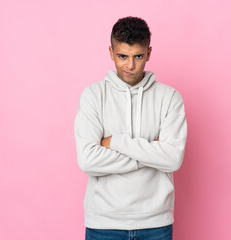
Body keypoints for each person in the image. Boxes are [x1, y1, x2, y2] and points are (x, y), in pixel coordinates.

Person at [74, 16, 187, 240]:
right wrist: (152, 154)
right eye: (122, 56)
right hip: (103, 223)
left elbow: (173, 159)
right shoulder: (93, 96)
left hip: (155, 222)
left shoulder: (169, 98)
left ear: (149, 53)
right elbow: (87, 160)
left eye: (138, 56)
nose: (130, 65)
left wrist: (116, 142)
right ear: (111, 52)